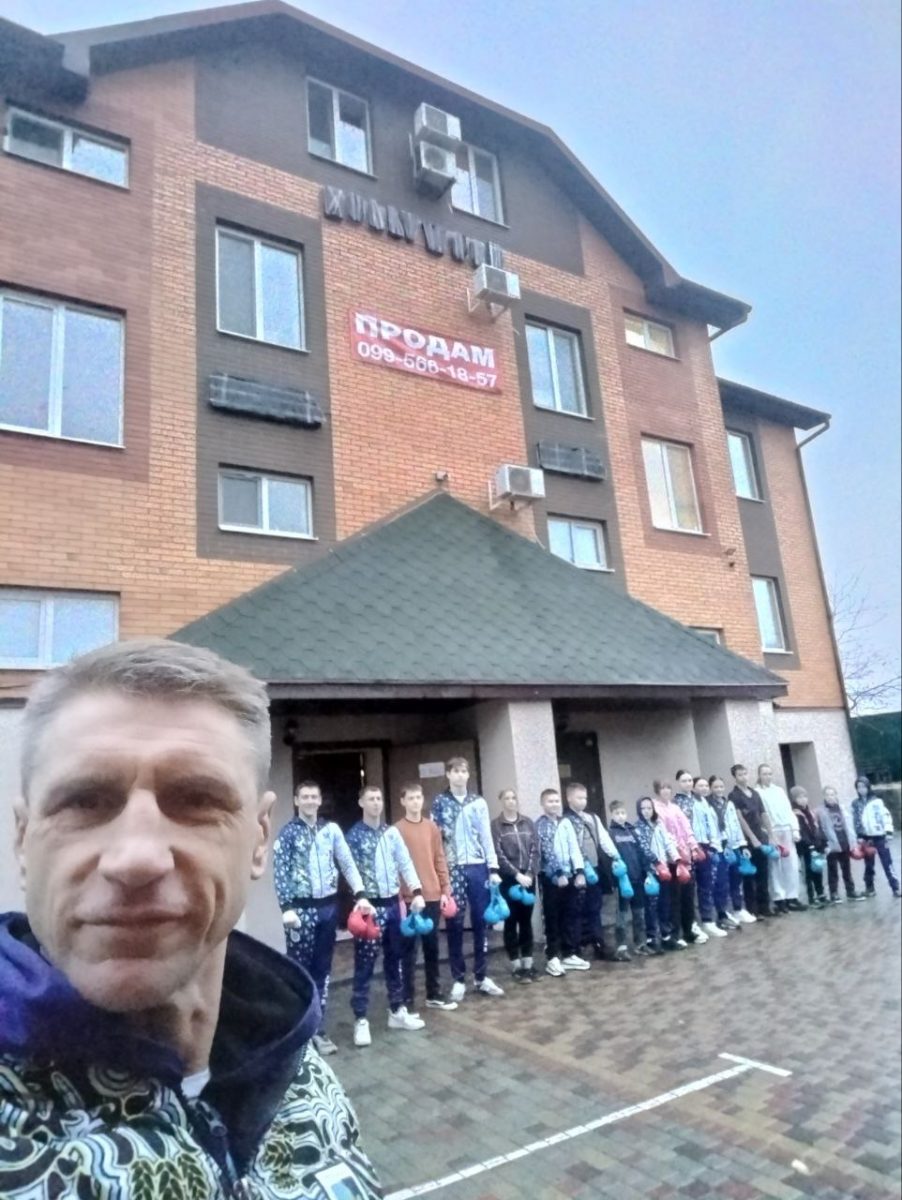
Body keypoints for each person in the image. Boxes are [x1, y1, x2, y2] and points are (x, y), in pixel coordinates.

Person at [1, 639, 380, 1198]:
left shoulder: (300, 1074)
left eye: (197, 799)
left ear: (259, 838)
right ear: (23, 840)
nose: (136, 858)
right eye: (83, 801)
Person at [273, 781, 372, 1056]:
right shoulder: (288, 833)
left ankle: (318, 1028)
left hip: (328, 908)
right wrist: (286, 907)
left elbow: (347, 862)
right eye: (304, 797)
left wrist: (361, 893)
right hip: (300, 912)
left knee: (322, 971)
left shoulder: (331, 831)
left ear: (319, 801)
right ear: (296, 801)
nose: (309, 801)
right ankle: (298, 1033)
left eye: (313, 797)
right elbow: (280, 871)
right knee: (299, 973)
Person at [346, 785, 426, 1046]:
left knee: (396, 959)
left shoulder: (391, 833)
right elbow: (348, 870)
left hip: (393, 905)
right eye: (371, 799)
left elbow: (405, 862)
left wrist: (416, 891)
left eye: (379, 798)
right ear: (361, 802)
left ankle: (397, 1010)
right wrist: (359, 898)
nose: (376, 803)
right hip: (369, 908)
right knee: (365, 964)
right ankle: (360, 1018)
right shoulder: (354, 836)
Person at [430, 756, 505, 1000]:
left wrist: (493, 868)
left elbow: (486, 836)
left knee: (481, 921)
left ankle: (482, 976)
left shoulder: (478, 802)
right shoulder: (440, 803)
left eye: (464, 771)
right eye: (455, 771)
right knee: (454, 922)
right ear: (448, 774)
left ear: (468, 775)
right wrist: (439, 871)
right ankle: (458, 978)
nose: (460, 775)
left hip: (478, 866)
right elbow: (435, 839)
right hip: (453, 868)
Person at [393, 781, 458, 1011]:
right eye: (410, 798)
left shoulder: (432, 828)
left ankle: (434, 993)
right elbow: (395, 865)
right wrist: (400, 896)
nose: (415, 802)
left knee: (432, 947)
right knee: (408, 951)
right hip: (409, 899)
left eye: (418, 798)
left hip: (432, 895)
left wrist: (445, 890)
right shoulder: (396, 830)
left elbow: (440, 858)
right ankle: (407, 999)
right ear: (403, 801)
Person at [535, 787, 590, 975]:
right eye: (550, 801)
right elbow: (547, 851)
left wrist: (579, 871)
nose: (554, 804)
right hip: (551, 878)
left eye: (557, 801)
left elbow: (574, 847)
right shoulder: (540, 825)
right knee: (552, 917)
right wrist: (558, 874)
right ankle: (552, 957)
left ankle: (569, 953)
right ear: (543, 804)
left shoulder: (565, 822)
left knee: (570, 915)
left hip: (570, 876)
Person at [564, 781, 620, 961]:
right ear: (569, 798)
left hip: (594, 870)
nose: (583, 801)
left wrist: (616, 857)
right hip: (576, 872)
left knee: (595, 908)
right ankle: (574, 948)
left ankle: (598, 943)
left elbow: (604, 840)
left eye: (585, 798)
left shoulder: (592, 818)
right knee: (575, 910)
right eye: (578, 798)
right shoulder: (565, 820)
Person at [491, 787, 539, 982]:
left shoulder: (528, 822)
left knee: (526, 920)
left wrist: (529, 873)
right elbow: (498, 853)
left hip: (528, 878)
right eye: (507, 798)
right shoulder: (496, 825)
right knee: (511, 921)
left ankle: (528, 964)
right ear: (501, 801)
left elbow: (535, 849)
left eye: (514, 798)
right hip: (509, 879)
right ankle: (516, 966)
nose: (511, 801)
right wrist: (516, 874)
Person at [653, 780, 700, 948]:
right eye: (662, 788)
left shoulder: (675, 807)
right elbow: (664, 834)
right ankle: (674, 933)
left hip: (685, 857)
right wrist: (677, 852)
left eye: (668, 788)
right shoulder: (655, 808)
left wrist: (693, 846)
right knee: (674, 898)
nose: (666, 791)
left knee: (688, 895)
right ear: (657, 791)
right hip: (671, 859)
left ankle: (688, 929)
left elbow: (686, 827)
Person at [756, 764, 806, 913]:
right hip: (772, 831)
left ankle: (792, 897)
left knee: (791, 864)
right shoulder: (758, 792)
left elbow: (788, 811)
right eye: (764, 774)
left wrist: (795, 829)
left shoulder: (779, 791)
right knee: (775, 866)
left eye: (769, 773)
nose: (767, 776)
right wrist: (767, 833)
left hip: (786, 829)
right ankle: (779, 899)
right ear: (759, 775)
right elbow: (761, 814)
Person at [729, 763, 776, 919]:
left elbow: (763, 814)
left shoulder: (755, 793)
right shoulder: (734, 796)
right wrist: (752, 838)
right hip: (747, 841)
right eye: (740, 775)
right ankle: (752, 909)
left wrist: (771, 835)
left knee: (763, 873)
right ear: (735, 777)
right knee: (749, 875)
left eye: (745, 773)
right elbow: (739, 819)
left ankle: (765, 907)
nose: (743, 777)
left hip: (761, 837)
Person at [708, 775, 756, 926]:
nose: (719, 790)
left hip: (733, 846)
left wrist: (743, 845)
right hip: (720, 847)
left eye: (721, 787)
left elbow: (735, 825)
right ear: (711, 788)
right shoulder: (708, 805)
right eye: (716, 787)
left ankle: (738, 908)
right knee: (722, 882)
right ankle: (723, 913)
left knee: (736, 879)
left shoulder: (728, 804)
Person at [606, 800, 651, 961]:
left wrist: (647, 872)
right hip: (622, 881)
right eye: (617, 813)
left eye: (623, 813)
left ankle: (640, 943)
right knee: (622, 915)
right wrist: (614, 880)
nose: (621, 816)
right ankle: (622, 947)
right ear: (611, 814)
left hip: (637, 878)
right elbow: (609, 858)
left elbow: (641, 852)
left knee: (639, 913)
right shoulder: (610, 834)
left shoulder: (633, 832)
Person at [634, 795, 676, 952]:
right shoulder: (637, 828)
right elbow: (644, 849)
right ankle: (652, 938)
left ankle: (666, 935)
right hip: (650, 872)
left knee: (665, 903)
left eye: (649, 808)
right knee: (651, 906)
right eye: (643, 808)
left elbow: (668, 843)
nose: (646, 811)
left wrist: (676, 858)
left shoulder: (658, 824)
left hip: (664, 869)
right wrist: (656, 863)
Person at [688, 774, 727, 938]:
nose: (704, 788)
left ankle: (708, 920)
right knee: (700, 885)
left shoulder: (706, 803)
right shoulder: (691, 803)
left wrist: (715, 846)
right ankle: (700, 921)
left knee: (708, 884)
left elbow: (713, 827)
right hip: (696, 846)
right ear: (693, 788)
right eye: (700, 785)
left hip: (709, 845)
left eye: (705, 785)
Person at [851, 776, 900, 899]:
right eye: (858, 787)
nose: (861, 789)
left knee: (887, 862)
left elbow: (885, 816)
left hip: (880, 836)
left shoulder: (877, 801)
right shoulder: (855, 804)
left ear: (868, 787)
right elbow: (856, 820)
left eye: (863, 786)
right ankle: (870, 888)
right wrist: (859, 835)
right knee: (869, 864)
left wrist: (888, 832)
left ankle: (895, 887)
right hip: (866, 838)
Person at [818, 784, 863, 903]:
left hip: (844, 842)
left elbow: (849, 825)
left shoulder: (842, 808)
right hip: (832, 845)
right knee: (832, 870)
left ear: (836, 795)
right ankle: (834, 893)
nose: (830, 797)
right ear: (824, 796)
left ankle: (850, 891)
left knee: (847, 869)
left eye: (832, 794)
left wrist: (852, 841)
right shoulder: (821, 811)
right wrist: (825, 844)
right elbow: (821, 829)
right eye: (827, 795)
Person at [790, 785, 828, 908]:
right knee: (808, 873)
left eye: (805, 797)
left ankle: (820, 893)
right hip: (805, 849)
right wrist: (809, 844)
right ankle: (811, 897)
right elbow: (801, 831)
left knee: (818, 870)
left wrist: (822, 843)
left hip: (816, 847)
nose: (803, 800)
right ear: (794, 799)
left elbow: (817, 828)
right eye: (799, 797)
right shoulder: (795, 814)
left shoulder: (810, 812)